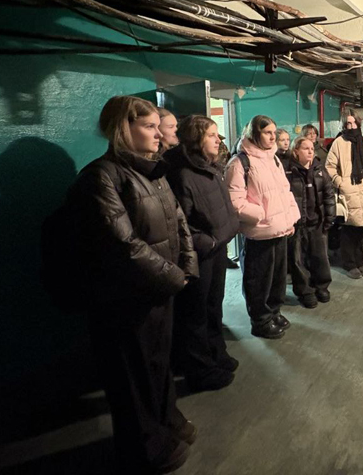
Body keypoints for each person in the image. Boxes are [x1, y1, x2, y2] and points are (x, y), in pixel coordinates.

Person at [66, 96, 198, 473]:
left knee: (158, 363)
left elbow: (179, 222)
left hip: (158, 289)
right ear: (124, 128)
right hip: (125, 298)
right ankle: (145, 447)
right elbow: (122, 244)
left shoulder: (151, 171)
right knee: (131, 376)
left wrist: (186, 267)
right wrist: (173, 276)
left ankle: (166, 420)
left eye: (159, 126)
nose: (159, 134)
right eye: (149, 126)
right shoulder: (101, 177)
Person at [164, 115, 240, 392]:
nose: (218, 140)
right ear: (196, 140)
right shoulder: (182, 174)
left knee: (213, 305)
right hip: (200, 252)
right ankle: (200, 369)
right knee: (195, 313)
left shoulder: (210, 167)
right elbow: (179, 222)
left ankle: (216, 352)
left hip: (216, 248)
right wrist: (206, 242)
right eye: (211, 135)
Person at [227, 115, 300, 339]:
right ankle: (260, 320)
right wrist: (262, 216)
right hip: (260, 233)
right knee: (259, 280)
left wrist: (290, 219)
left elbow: (285, 192)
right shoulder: (240, 163)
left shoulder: (273, 159)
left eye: (274, 132)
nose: (272, 137)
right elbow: (235, 202)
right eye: (267, 132)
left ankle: (273, 312)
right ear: (254, 133)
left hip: (279, 229)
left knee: (277, 278)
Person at [325, 110, 363, 280]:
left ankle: (360, 261)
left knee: (360, 230)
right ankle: (350, 264)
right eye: (348, 123)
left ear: (358, 123)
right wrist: (340, 182)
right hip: (348, 192)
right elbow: (330, 166)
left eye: (353, 122)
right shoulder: (339, 143)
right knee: (348, 231)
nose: (351, 126)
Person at [285, 137, 336, 307]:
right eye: (305, 148)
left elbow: (329, 194)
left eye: (312, 149)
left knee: (320, 257)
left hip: (316, 222)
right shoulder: (289, 172)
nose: (310, 151)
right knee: (298, 260)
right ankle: (305, 291)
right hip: (298, 224)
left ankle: (321, 286)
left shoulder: (319, 169)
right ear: (296, 151)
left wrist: (330, 217)